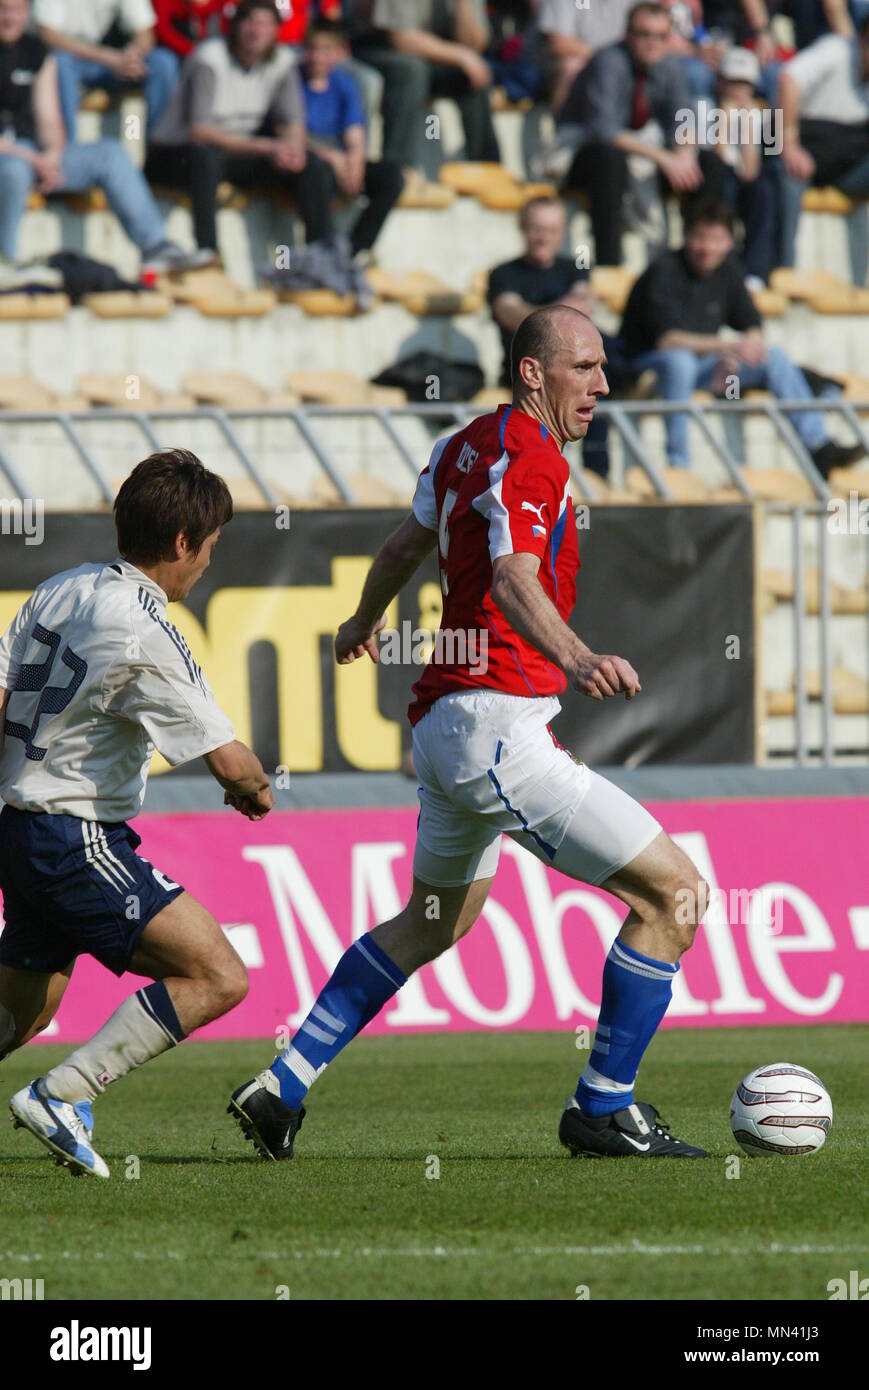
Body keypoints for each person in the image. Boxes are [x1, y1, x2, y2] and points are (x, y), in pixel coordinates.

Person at [228, 303, 713, 1164]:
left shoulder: (465, 445)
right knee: (673, 897)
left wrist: (359, 621)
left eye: (603, 368)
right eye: (584, 367)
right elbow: (512, 574)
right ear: (534, 373)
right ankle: (602, 1108)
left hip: (446, 729)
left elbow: (401, 546)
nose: (602, 384)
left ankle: (283, 1083)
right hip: (498, 726)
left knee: (430, 922)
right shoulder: (531, 457)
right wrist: (576, 653)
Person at [0, 450, 274, 1180]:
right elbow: (230, 762)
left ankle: (60, 1091)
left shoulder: (61, 588)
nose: (206, 565)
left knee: (20, 1016)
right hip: (71, 834)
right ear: (183, 543)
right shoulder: (146, 628)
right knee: (217, 975)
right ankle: (65, 1095)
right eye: (209, 549)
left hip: (19, 826)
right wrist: (253, 790)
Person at [619, 198, 867, 474]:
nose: (707, 248)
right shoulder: (664, 270)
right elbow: (667, 340)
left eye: (716, 239)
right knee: (680, 362)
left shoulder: (729, 271)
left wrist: (744, 352)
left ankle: (819, 446)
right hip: (645, 367)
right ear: (687, 237)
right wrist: (731, 346)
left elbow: (752, 323)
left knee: (774, 357)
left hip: (705, 368)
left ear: (728, 242)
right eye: (700, 238)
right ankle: (679, 466)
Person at [0, 0, 207, 270]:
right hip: (12, 158)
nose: (10, 18)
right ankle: (6, 263)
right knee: (13, 171)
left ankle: (156, 246)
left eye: (17, 10)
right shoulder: (50, 51)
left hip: (32, 155)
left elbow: (49, 120)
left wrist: (52, 155)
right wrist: (31, 158)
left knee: (111, 153)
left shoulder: (35, 52)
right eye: (3, 9)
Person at [146, 0, 335, 255]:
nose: (257, 32)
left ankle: (322, 256)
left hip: (235, 152)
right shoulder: (210, 58)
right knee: (205, 157)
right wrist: (268, 147)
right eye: (251, 23)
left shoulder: (283, 61)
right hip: (173, 154)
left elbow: (293, 121)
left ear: (277, 30)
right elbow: (199, 131)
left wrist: (290, 148)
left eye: (266, 24)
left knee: (311, 164)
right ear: (235, 27)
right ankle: (207, 253)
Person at [559, 2, 702, 267]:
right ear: (628, 34)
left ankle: (700, 259)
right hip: (582, 155)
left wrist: (685, 154)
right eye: (644, 34)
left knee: (706, 165)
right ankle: (609, 263)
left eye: (661, 36)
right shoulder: (607, 61)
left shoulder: (671, 66)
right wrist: (664, 158)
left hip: (642, 155)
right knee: (609, 160)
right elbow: (603, 130)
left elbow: (684, 119)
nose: (652, 43)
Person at [349, 0, 500, 170]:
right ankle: (399, 172)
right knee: (411, 71)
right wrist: (462, 57)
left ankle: (488, 169)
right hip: (375, 47)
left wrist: (462, 5)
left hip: (431, 55)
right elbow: (401, 38)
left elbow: (475, 43)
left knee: (476, 75)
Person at [300, 16, 402, 257]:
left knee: (390, 177)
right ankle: (320, 252)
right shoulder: (292, 81)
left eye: (325, 50)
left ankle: (353, 252)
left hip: (338, 160)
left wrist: (355, 162)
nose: (317, 57)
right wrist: (333, 158)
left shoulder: (344, 84)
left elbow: (355, 131)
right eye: (312, 49)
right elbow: (290, 134)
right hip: (309, 161)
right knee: (316, 171)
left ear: (338, 53)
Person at [778, 15, 869, 271]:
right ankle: (786, 270)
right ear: (862, 39)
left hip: (847, 159)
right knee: (785, 177)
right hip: (802, 142)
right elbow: (788, 79)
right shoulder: (837, 49)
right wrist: (789, 143)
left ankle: (860, 286)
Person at [684, 45, 779, 284]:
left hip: (748, 178)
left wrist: (747, 125)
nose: (738, 89)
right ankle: (725, 263)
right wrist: (724, 118)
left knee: (765, 192)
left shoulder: (766, 114)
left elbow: (751, 172)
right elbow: (716, 160)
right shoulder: (701, 108)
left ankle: (755, 272)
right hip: (715, 180)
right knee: (719, 181)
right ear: (720, 81)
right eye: (731, 82)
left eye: (744, 83)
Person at [33, 0, 178, 136]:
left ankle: (159, 150)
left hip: (114, 61)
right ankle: (66, 152)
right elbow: (49, 35)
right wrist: (109, 58)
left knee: (163, 62)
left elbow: (145, 33)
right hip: (73, 60)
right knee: (59, 62)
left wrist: (133, 56)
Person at [535, 0, 633, 112]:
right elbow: (560, 43)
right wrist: (605, 60)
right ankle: (565, 125)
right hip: (576, 64)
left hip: (623, 61)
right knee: (572, 67)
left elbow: (653, 20)